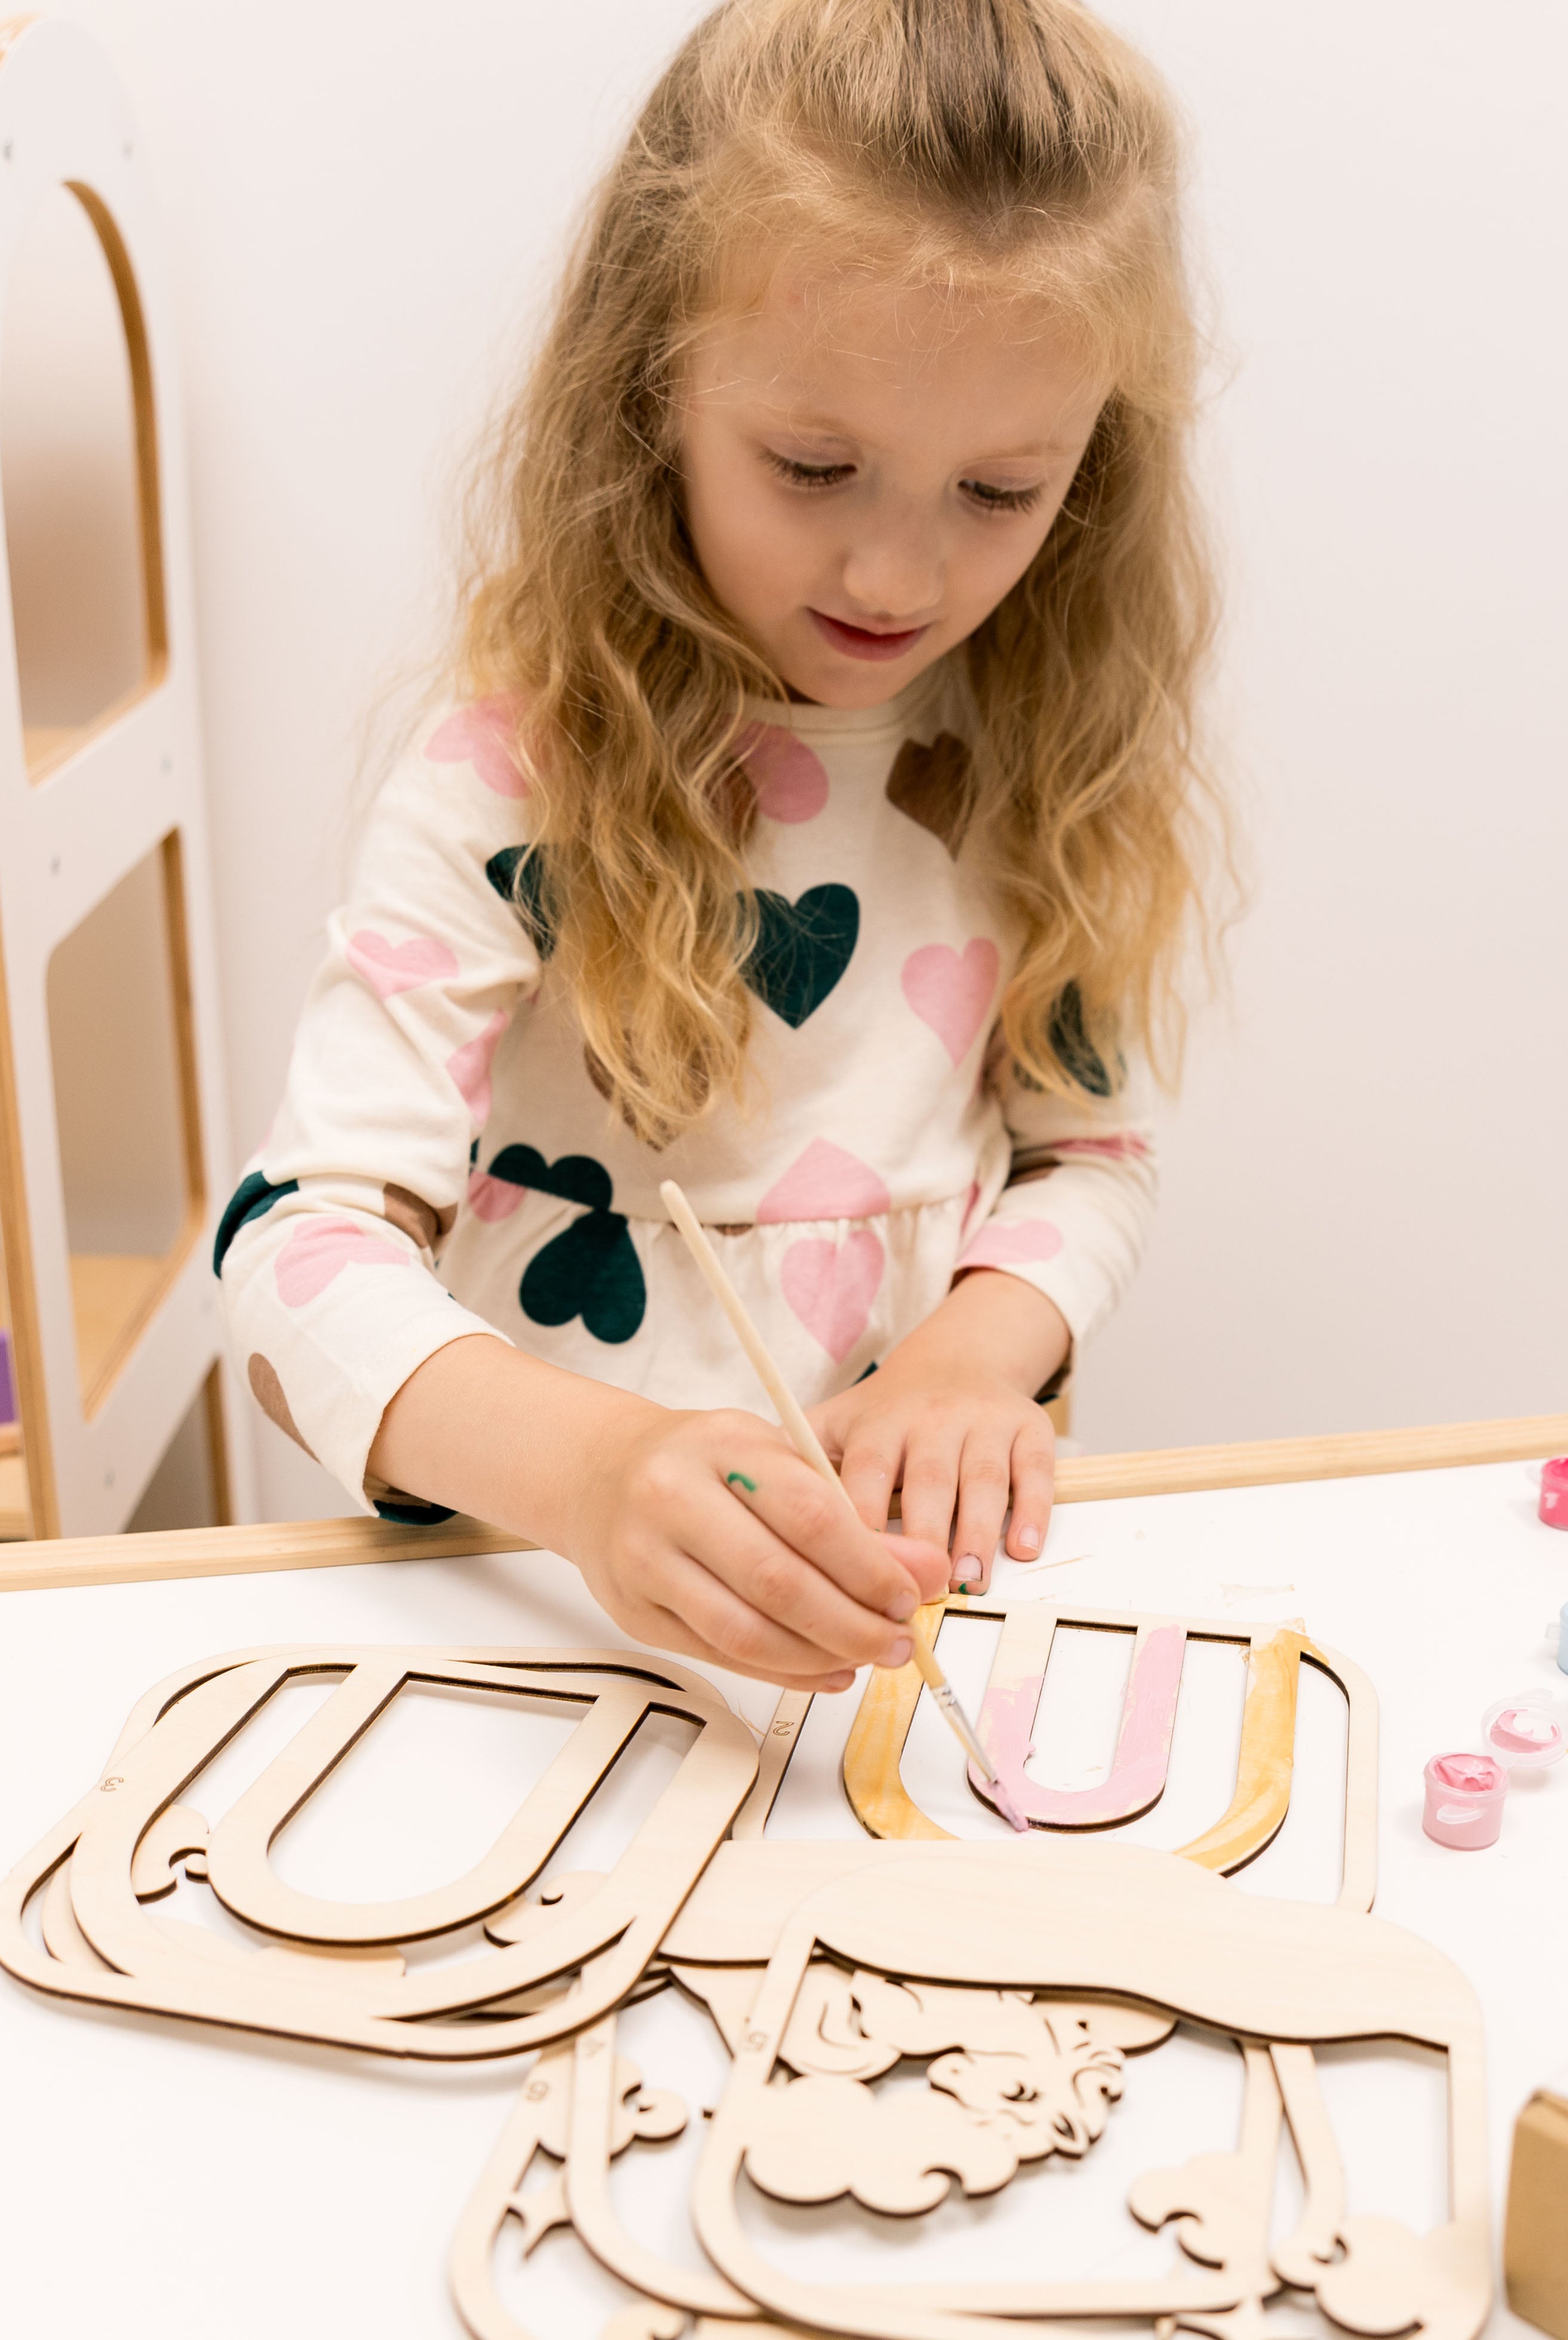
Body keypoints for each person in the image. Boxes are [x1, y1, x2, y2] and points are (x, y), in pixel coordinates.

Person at [216, 0, 1217, 1698]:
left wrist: (974, 1362)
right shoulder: (512, 775)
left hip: (894, 1650)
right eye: (814, 466)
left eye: (1001, 492)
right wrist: (596, 1477)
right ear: (652, 388)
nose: (898, 579)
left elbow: (1089, 1161)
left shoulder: (1039, 755)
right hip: (532, 1633)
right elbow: (292, 1249)